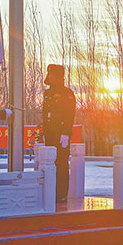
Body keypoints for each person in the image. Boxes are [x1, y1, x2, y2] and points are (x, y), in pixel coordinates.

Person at [42, 64, 76, 201]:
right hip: (50, 133)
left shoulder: (67, 93)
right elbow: (45, 114)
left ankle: (61, 193)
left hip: (61, 133)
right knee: (50, 162)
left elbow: (70, 114)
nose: (50, 77)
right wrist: (44, 131)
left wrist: (66, 133)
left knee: (61, 162)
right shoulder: (47, 93)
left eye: (53, 74)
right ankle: (51, 191)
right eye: (49, 74)